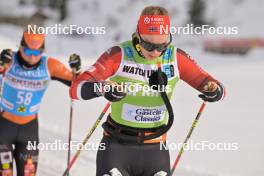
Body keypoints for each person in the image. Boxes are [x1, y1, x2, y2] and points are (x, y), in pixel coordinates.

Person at [70, 6, 225, 176]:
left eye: (162, 46)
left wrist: (214, 90)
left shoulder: (175, 58)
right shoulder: (118, 55)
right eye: (148, 45)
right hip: (116, 146)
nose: (155, 52)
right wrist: (103, 88)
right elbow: (76, 89)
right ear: (138, 36)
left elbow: (217, 87)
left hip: (155, 149)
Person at [0, 31, 81, 176]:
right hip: (4, 127)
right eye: (28, 51)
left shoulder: (50, 65)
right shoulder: (8, 60)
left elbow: (78, 85)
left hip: (29, 130)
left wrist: (77, 71)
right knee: (4, 173)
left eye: (37, 52)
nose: (32, 56)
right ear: (20, 47)